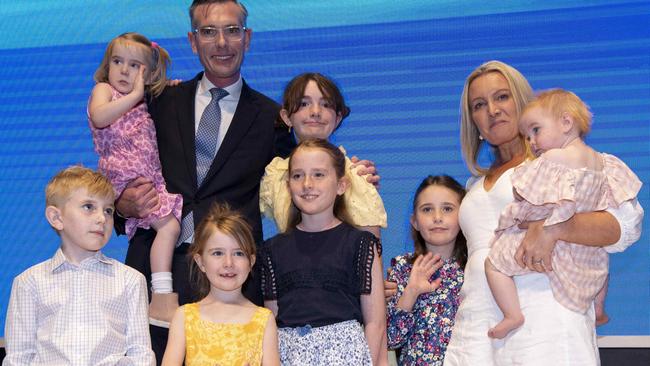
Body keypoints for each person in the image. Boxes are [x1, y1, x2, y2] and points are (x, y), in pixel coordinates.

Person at [113, 1, 294, 362]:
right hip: (156, 271)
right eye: (209, 32)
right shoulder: (156, 101)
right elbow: (117, 161)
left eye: (232, 30)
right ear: (193, 41)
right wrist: (120, 205)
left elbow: (304, 181)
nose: (222, 42)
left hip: (231, 277)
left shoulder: (272, 118)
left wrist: (351, 174)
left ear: (248, 38)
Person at [437, 60, 643, 365]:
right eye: (479, 105)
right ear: (474, 123)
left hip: (547, 314)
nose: (492, 110)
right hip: (479, 322)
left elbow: (626, 226)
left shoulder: (564, 163)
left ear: (523, 102)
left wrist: (553, 229)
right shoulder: (473, 185)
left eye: (502, 97)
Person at [484, 89, 642, 339]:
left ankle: (512, 314)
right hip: (586, 253)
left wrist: (518, 220)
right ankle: (599, 308)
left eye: (536, 130)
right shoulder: (605, 163)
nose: (532, 142)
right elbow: (613, 202)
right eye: (527, 136)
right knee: (601, 264)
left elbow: (532, 203)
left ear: (566, 123)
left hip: (552, 252)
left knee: (493, 264)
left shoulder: (553, 160)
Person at [3, 166, 154, 366]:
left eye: (108, 210)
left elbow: (141, 354)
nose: (102, 218)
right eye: (88, 207)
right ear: (56, 218)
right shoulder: (29, 282)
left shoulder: (131, 280)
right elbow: (18, 358)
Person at [260, 139, 388, 365]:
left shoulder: (361, 244)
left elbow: (375, 323)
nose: (307, 183)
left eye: (318, 175)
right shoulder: (273, 250)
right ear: (289, 185)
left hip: (347, 357)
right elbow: (271, 322)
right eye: (298, 176)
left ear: (341, 185)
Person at [88, 32, 183, 324]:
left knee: (170, 227)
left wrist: (164, 89)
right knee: (168, 227)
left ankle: (160, 293)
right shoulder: (104, 91)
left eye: (134, 66)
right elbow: (100, 117)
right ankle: (163, 295)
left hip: (148, 178)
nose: (124, 70)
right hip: (124, 177)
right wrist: (134, 96)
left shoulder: (143, 101)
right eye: (117, 61)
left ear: (147, 73)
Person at [260, 72, 387, 237]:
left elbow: (371, 247)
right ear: (286, 117)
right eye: (304, 103)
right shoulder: (275, 174)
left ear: (338, 118)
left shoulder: (354, 174)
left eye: (326, 104)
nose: (315, 111)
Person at [162, 204, 280, 366]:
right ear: (201, 261)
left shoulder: (264, 320)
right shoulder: (184, 317)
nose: (228, 263)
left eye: (238, 253)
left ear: (251, 262)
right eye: (218, 253)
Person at [386, 175, 467, 366]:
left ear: (464, 216)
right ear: (414, 221)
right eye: (427, 209)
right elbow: (391, 339)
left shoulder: (473, 269)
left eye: (447, 209)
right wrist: (411, 292)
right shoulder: (402, 267)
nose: (437, 217)